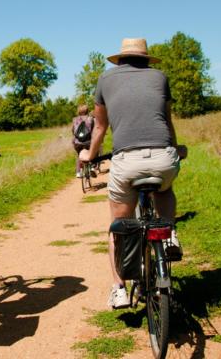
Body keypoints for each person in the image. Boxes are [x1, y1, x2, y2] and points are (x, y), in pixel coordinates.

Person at [79, 38, 187, 309]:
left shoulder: (105, 80)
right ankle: (170, 232)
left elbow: (100, 127)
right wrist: (176, 149)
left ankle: (119, 289)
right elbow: (166, 120)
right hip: (163, 157)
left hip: (127, 161)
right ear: (146, 59)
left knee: (118, 226)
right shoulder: (160, 78)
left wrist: (89, 156)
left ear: (121, 59)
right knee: (165, 188)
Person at [72, 105, 95, 178]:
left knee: (78, 155)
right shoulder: (90, 119)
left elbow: (73, 131)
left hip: (77, 143)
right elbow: (94, 130)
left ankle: (78, 172)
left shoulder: (74, 119)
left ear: (78, 111)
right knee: (93, 151)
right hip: (88, 142)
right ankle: (92, 167)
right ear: (87, 111)